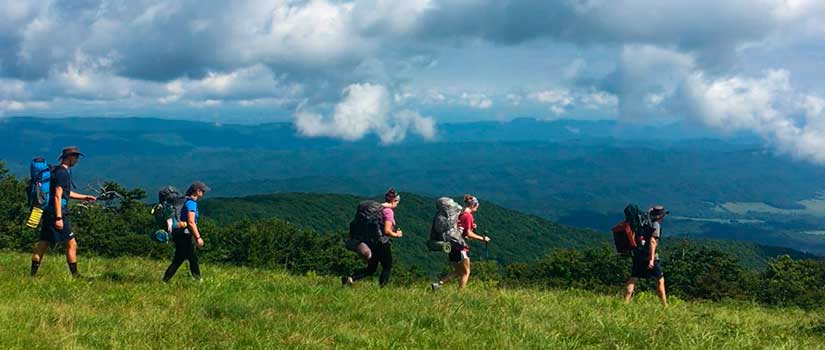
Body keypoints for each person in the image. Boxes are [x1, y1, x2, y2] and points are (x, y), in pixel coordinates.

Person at [30, 146, 97, 277]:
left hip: (49, 212)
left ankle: (32, 275)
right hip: (58, 213)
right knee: (71, 243)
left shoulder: (56, 171)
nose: (77, 160)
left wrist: (84, 197)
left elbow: (65, 193)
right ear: (69, 158)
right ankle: (76, 275)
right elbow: (57, 196)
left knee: (43, 243)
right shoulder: (63, 173)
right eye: (76, 157)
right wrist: (59, 218)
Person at [343, 188, 403, 287]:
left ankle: (351, 278)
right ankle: (382, 289)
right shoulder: (388, 212)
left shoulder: (377, 209)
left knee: (371, 269)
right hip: (381, 243)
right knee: (387, 266)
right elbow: (387, 231)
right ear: (395, 200)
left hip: (370, 242)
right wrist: (397, 234)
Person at [432, 194, 490, 291]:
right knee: (466, 272)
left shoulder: (460, 213)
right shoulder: (468, 216)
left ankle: (438, 284)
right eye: (476, 207)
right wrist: (483, 238)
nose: (477, 209)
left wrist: (471, 227)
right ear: (473, 205)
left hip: (452, 245)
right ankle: (460, 293)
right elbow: (468, 234)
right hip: (460, 247)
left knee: (458, 271)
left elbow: (462, 232)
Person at [162, 181, 209, 282]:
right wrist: (198, 237)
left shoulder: (185, 201)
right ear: (197, 191)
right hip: (184, 234)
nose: (204, 193)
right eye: (203, 191)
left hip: (180, 233)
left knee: (192, 258)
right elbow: (191, 222)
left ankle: (198, 280)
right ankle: (165, 280)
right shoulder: (191, 203)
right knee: (179, 259)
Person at [623, 206, 669, 306]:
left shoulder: (643, 222)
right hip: (649, 256)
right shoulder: (655, 225)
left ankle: (625, 302)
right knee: (660, 280)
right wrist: (652, 259)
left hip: (638, 254)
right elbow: (653, 242)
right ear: (660, 216)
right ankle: (665, 305)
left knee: (633, 278)